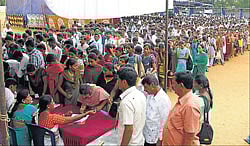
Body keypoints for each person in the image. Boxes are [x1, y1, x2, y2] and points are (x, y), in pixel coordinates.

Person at [162, 71, 201, 146]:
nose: (172, 86)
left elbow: (190, 135)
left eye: (173, 83)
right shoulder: (183, 101)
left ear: (181, 86)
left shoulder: (189, 106)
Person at [117, 67, 146, 145]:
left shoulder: (126, 102)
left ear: (124, 82)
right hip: (139, 140)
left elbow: (129, 129)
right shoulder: (140, 95)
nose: (117, 83)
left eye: (118, 80)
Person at [141, 75, 171, 146]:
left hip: (155, 138)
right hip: (147, 134)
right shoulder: (150, 95)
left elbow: (165, 121)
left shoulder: (163, 100)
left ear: (152, 85)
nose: (144, 90)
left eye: (146, 87)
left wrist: (160, 139)